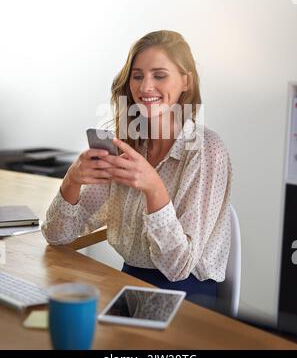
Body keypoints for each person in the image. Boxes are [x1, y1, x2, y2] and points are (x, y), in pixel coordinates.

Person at [42, 30, 232, 309]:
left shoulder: (206, 150)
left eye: (159, 75)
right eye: (138, 76)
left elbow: (178, 268)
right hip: (129, 280)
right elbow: (58, 236)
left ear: (186, 82)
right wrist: (72, 181)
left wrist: (154, 188)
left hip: (187, 297)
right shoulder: (126, 144)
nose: (145, 88)